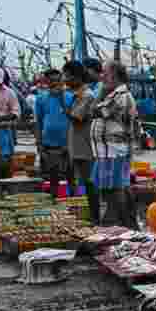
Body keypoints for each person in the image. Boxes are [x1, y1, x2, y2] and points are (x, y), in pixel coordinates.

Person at [90, 60, 139, 228]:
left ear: (114, 75)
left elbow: (95, 110)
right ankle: (119, 221)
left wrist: (101, 92)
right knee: (111, 187)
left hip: (114, 150)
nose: (102, 76)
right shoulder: (114, 94)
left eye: (105, 73)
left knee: (116, 188)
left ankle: (120, 222)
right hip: (106, 150)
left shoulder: (121, 96)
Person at [62, 61, 99, 224]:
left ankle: (95, 216)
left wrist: (61, 100)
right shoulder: (76, 94)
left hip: (85, 147)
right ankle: (86, 215)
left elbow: (76, 117)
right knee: (79, 181)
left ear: (77, 77)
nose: (65, 79)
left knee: (89, 183)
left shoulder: (87, 95)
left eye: (68, 76)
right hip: (76, 145)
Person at [35, 69, 73, 200]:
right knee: (52, 178)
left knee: (71, 177)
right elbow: (38, 122)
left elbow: (74, 121)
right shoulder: (41, 98)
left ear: (62, 81)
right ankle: (54, 204)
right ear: (46, 82)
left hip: (68, 144)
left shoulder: (70, 97)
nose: (55, 83)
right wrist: (39, 144)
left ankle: (74, 202)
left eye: (58, 80)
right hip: (49, 145)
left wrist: (61, 97)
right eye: (51, 81)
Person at [0, 66, 21, 177]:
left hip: (2, 131)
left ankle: (2, 184)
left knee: (3, 161)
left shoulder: (9, 93)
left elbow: (16, 113)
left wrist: (3, 119)